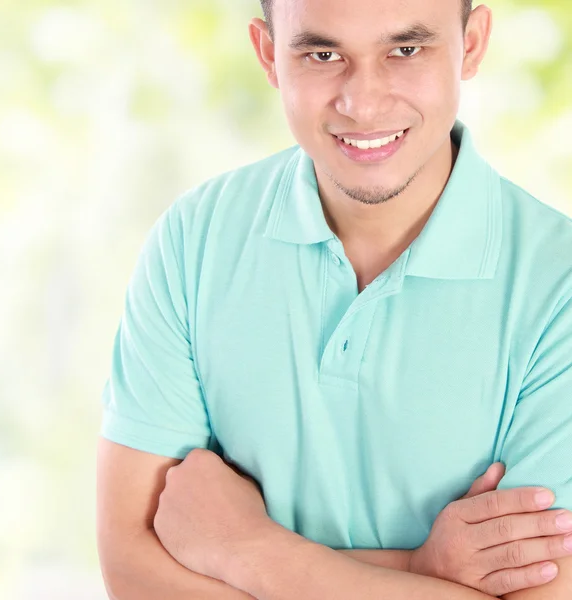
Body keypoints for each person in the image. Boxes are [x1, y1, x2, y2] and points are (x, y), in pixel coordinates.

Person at [96, 0, 572, 598]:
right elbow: (132, 569)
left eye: (405, 50)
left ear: (472, 44)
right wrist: (417, 572)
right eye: (322, 54)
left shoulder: (560, 288)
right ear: (269, 54)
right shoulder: (194, 240)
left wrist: (245, 547)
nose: (363, 103)